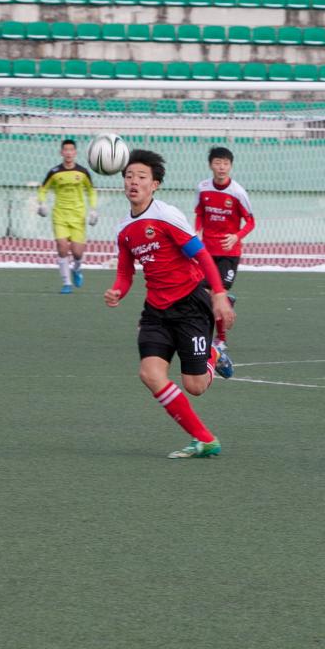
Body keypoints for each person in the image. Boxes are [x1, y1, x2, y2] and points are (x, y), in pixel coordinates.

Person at [103, 149, 236, 459]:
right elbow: (125, 272)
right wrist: (117, 291)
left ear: (155, 184)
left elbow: (201, 255)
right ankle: (205, 439)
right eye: (128, 176)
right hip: (156, 311)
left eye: (141, 177)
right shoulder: (124, 230)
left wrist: (217, 294)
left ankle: (212, 354)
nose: (133, 182)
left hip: (190, 304)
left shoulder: (165, 216)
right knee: (149, 373)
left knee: (195, 386)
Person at [194, 146, 256, 376]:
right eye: (217, 163)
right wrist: (197, 231)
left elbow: (251, 222)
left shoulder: (238, 193)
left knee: (213, 296)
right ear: (211, 164)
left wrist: (236, 236)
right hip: (206, 251)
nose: (221, 167)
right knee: (206, 295)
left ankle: (220, 340)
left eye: (225, 163)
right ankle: (220, 329)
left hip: (229, 253)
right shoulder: (202, 188)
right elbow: (200, 212)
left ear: (231, 166)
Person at [36, 139, 98, 294]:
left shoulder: (83, 172)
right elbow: (43, 189)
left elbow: (91, 191)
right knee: (62, 248)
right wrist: (41, 203)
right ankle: (66, 283)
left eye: (71, 150)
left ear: (75, 152)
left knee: (77, 253)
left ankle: (77, 269)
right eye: (66, 150)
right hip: (60, 216)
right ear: (61, 152)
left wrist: (93, 210)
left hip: (78, 217)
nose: (69, 153)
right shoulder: (55, 172)